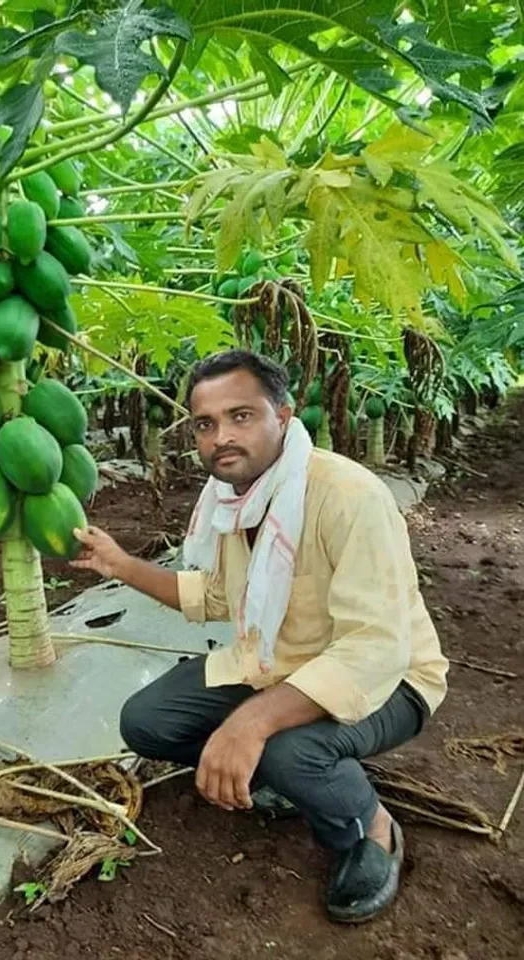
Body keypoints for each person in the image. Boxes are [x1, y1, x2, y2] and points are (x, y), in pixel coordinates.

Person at [71, 349, 448, 923]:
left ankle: (371, 829)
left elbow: (375, 647)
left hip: (391, 678)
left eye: (241, 416)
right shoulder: (232, 500)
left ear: (284, 414)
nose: (222, 435)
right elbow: (218, 596)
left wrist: (251, 723)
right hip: (275, 664)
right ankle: (271, 772)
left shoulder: (349, 496)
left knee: (285, 747)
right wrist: (121, 565)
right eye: (206, 423)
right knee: (146, 720)